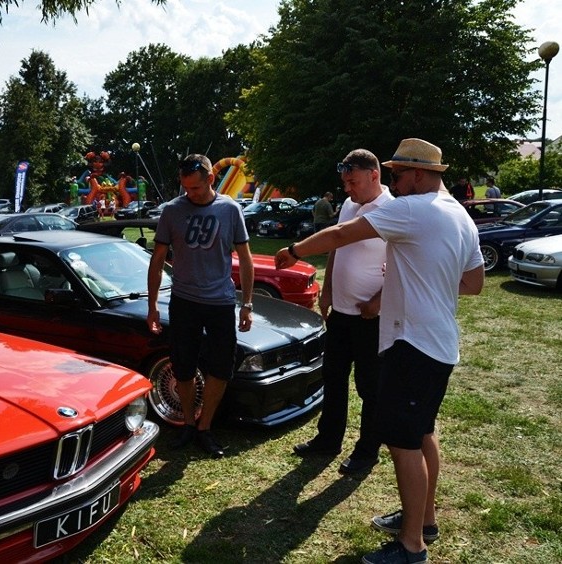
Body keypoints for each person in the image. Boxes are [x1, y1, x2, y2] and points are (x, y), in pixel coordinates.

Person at [275, 138, 484, 564]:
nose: (394, 182)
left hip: (411, 345)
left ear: (419, 175)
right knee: (423, 433)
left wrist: (293, 251)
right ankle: (423, 521)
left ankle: (412, 547)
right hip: (440, 343)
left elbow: (339, 234)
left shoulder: (413, 208)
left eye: (397, 175)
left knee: (403, 443)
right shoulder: (460, 215)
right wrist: (423, 276)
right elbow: (474, 283)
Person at [147, 154, 254, 459]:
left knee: (221, 366)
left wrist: (247, 304)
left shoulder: (230, 209)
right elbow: (157, 261)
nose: (188, 194)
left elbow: (245, 260)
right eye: (185, 188)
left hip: (220, 302)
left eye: (194, 188)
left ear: (210, 180)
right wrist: (153, 305)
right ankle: (189, 424)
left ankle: (205, 427)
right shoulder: (172, 211)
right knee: (182, 366)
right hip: (184, 301)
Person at [293, 149, 393, 476]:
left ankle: (367, 451)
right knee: (333, 377)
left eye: (353, 181)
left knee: (370, 386)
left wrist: (378, 300)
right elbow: (337, 244)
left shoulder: (392, 210)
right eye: (345, 182)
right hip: (341, 313)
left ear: (374, 174)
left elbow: (403, 266)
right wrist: (327, 291)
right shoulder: (350, 205)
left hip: (372, 318)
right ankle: (328, 439)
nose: (347, 189)